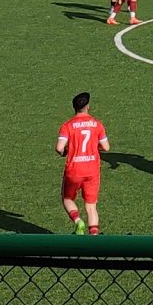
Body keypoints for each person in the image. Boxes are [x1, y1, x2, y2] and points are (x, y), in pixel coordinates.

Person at [56, 92, 107, 235]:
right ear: (88, 107)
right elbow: (106, 147)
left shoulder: (67, 125)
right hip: (92, 170)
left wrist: (65, 152)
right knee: (91, 206)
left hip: (74, 170)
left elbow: (59, 148)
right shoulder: (97, 124)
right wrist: (94, 147)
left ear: (74, 108)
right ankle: (94, 238)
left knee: (67, 199)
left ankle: (78, 221)